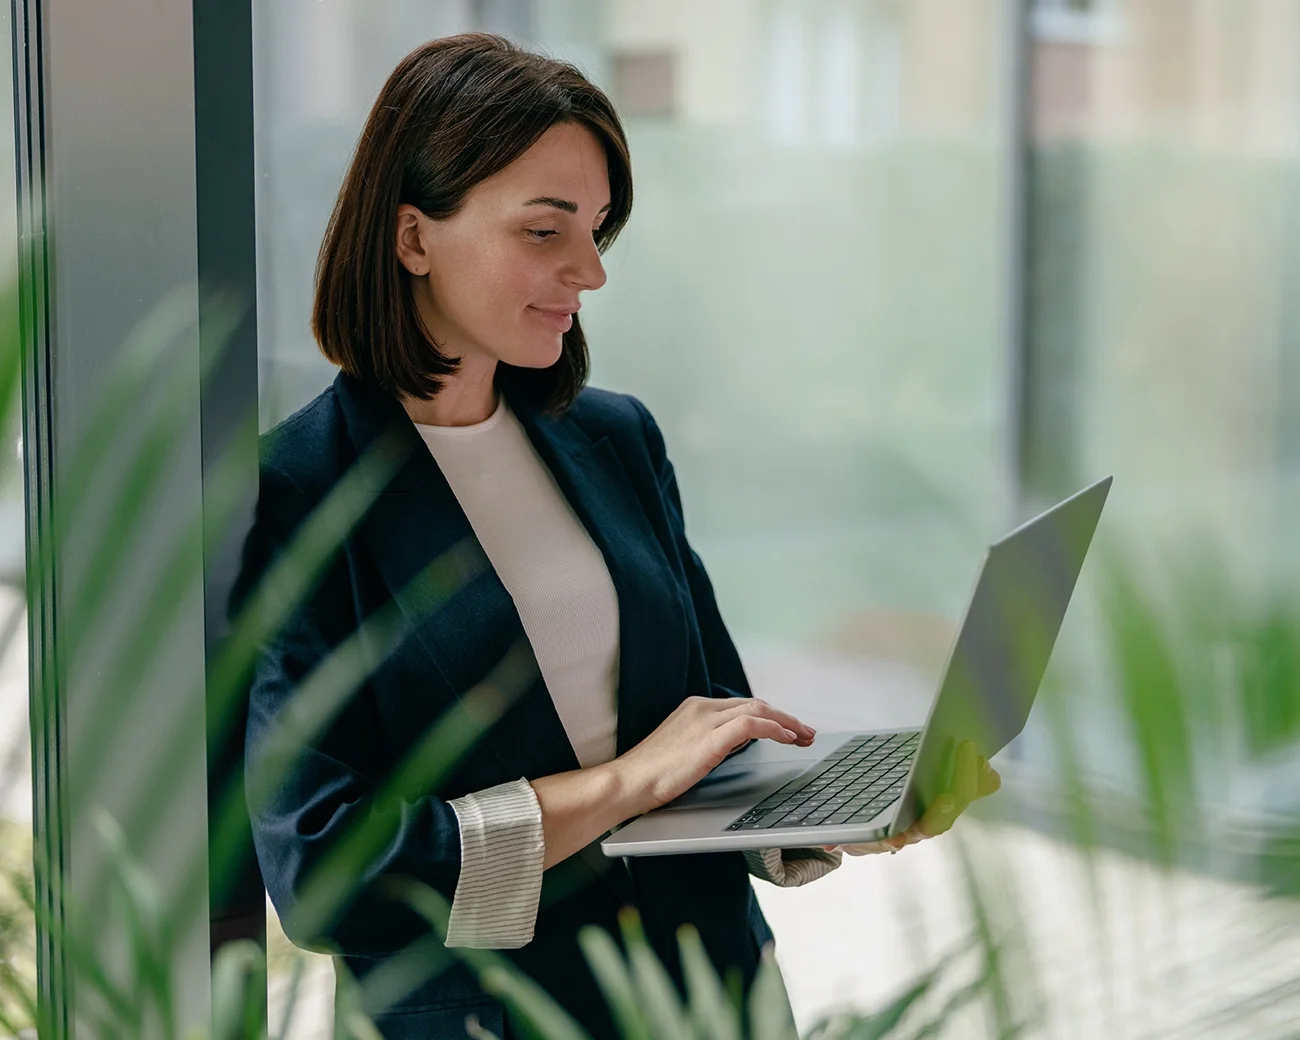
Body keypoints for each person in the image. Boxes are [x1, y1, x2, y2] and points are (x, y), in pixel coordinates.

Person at [233, 32, 1001, 1040]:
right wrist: (620, 784)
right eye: (545, 232)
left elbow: (708, 724)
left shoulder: (613, 435)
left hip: (707, 988)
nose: (589, 270)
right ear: (412, 237)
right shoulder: (294, 490)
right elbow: (328, 873)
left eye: (596, 230)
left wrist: (845, 805)